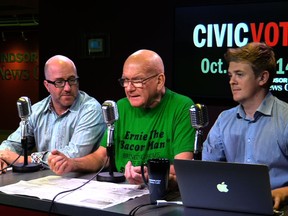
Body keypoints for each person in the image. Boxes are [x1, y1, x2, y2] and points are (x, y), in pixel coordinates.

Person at [48, 49, 196, 189]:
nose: (129, 88)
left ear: (159, 80)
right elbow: (102, 157)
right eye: (125, 80)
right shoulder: (121, 107)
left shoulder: (182, 107)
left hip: (160, 191)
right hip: (123, 191)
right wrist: (72, 164)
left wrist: (149, 173)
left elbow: (182, 166)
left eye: (137, 80)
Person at [202, 42, 288, 210]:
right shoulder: (224, 120)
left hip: (277, 208)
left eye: (239, 74)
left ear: (262, 78)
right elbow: (206, 172)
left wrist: (283, 192)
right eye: (230, 75)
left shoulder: (285, 119)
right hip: (232, 205)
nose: (232, 81)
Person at [0, 55, 106, 173]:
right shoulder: (36, 110)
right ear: (47, 86)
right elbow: (12, 144)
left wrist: (24, 160)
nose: (67, 88)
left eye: (72, 80)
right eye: (59, 82)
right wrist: (2, 157)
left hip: (80, 182)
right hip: (43, 183)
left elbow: (73, 155)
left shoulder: (91, 109)